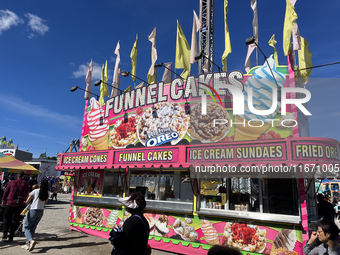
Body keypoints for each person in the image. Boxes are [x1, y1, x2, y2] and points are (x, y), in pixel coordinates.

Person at [21, 179, 50, 251]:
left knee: (26, 227)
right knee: (33, 227)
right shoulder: (48, 192)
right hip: (41, 211)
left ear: (40, 184)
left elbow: (27, 201)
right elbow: (45, 203)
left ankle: (30, 241)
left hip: (33, 210)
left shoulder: (35, 191)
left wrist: (24, 202)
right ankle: (28, 244)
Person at [1, 171, 29, 242]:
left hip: (9, 202)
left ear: (17, 176)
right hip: (18, 204)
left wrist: (3, 200)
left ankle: (4, 233)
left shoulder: (11, 182)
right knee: (14, 220)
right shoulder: (25, 183)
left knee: (6, 217)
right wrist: (24, 200)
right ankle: (11, 236)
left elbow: (5, 192)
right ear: (23, 176)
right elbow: (26, 194)